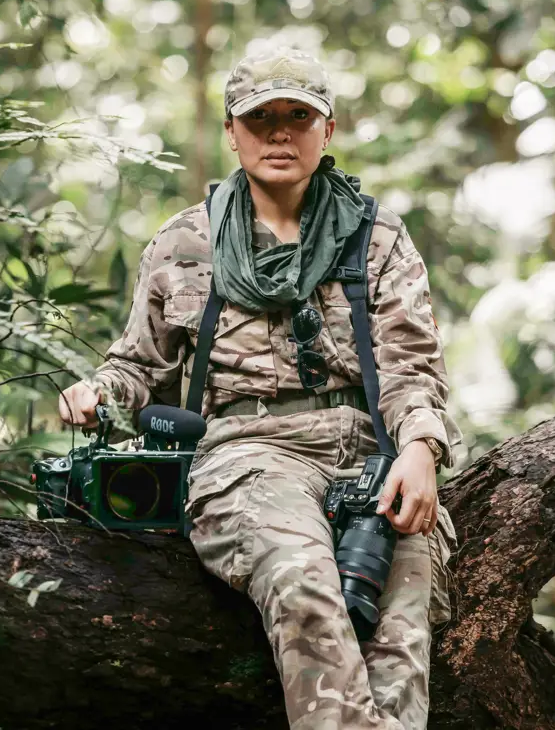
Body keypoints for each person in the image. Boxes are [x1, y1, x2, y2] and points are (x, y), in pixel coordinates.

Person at [59, 44, 462, 730]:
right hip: (248, 456)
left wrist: (421, 449)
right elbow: (137, 365)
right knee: (306, 583)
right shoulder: (185, 242)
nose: (279, 132)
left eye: (297, 116)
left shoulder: (377, 238)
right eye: (260, 117)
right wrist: (98, 391)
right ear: (232, 132)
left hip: (371, 459)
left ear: (326, 130)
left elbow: (410, 369)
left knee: (400, 631)